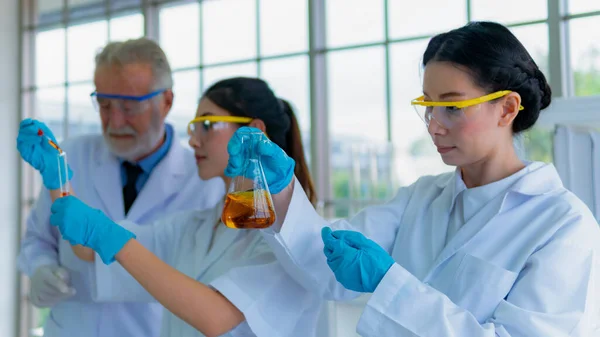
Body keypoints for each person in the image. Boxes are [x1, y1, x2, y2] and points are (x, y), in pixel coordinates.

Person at [225, 22, 600, 336]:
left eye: (452, 107)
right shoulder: (420, 198)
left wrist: (391, 283)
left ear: (506, 108)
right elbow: (326, 265)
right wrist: (282, 191)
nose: (435, 126)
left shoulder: (563, 225)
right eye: (428, 106)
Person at [18, 77, 321, 337]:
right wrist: (57, 178)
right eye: (193, 127)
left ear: (255, 130)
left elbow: (215, 317)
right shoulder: (194, 227)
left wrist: (106, 234)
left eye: (207, 125)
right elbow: (90, 251)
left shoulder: (291, 239)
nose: (192, 141)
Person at [17, 38, 224, 337]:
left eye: (129, 107)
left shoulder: (205, 180)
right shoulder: (69, 156)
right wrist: (40, 269)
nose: (114, 121)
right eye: (104, 104)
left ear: (166, 102)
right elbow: (38, 238)